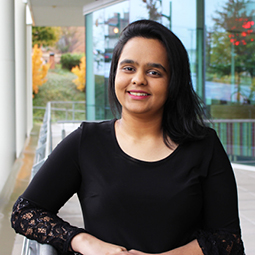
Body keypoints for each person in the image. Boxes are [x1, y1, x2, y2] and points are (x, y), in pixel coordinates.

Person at [11, 19, 245, 255]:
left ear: (173, 81)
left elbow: (228, 240)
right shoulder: (87, 142)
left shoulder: (204, 146)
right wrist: (86, 242)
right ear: (115, 74)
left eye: (154, 72)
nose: (138, 79)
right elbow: (24, 212)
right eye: (128, 68)